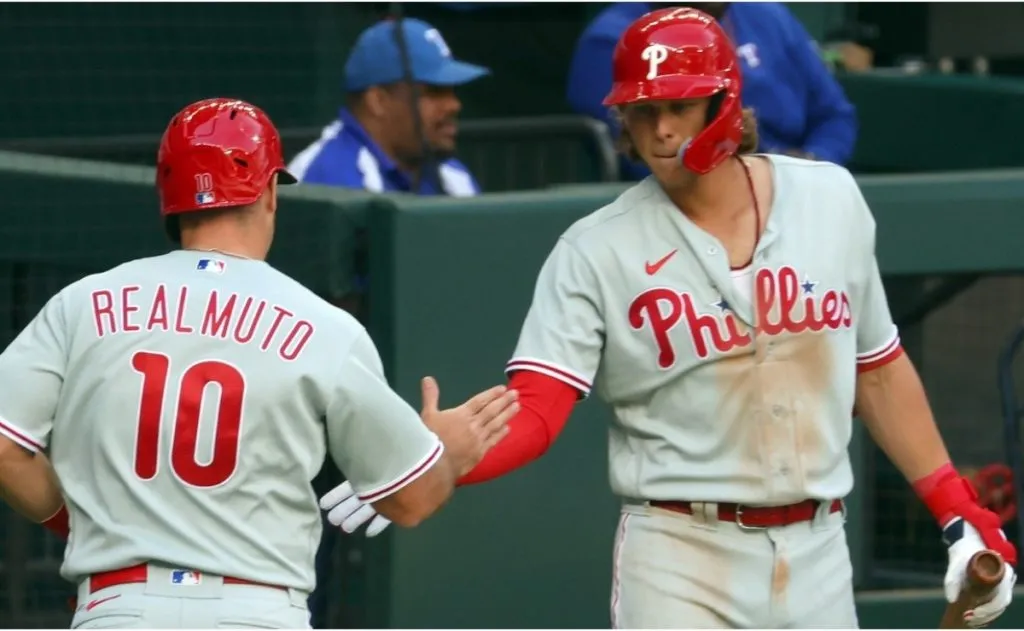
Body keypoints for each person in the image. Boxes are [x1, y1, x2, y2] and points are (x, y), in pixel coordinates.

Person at [318, 9, 1016, 629]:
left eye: (678, 106)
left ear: (725, 99)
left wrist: (958, 511)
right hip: (681, 550)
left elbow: (880, 370)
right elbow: (538, 410)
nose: (657, 129)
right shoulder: (595, 248)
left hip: (818, 547)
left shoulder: (829, 199)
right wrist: (443, 454)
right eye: (640, 109)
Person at [0, 97, 518, 629]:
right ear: (269, 192)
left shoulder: (85, 303)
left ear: (170, 197)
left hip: (118, 607)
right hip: (256, 611)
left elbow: (4, 448)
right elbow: (409, 501)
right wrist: (445, 454)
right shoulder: (324, 328)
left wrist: (82, 521)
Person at [566, 2, 858, 180]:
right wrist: (762, 176)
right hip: (689, 200)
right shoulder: (616, 39)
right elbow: (644, 153)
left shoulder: (769, 16)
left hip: (798, 182)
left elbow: (836, 114)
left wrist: (813, 164)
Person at [287, 18, 487, 196]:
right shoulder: (326, 180)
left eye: (452, 92)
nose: (454, 105)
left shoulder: (452, 176)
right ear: (378, 101)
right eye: (434, 92)